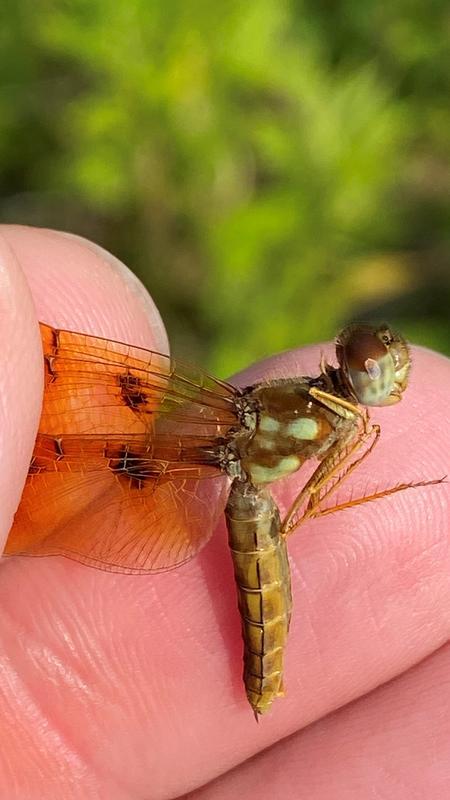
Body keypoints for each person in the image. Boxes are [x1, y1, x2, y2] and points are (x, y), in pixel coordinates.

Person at [0, 225, 448, 800]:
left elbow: (311, 502)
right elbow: (309, 506)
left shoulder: (334, 413)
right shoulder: (307, 411)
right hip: (252, 508)